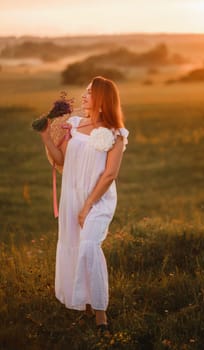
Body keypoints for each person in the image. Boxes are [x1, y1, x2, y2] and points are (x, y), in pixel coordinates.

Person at [40, 76, 129, 334]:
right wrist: (47, 138)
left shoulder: (116, 134)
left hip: (98, 200)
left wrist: (87, 205)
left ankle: (101, 316)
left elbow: (110, 174)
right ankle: (84, 303)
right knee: (76, 246)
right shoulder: (75, 125)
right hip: (72, 196)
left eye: (90, 93)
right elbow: (61, 162)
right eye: (85, 91)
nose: (83, 96)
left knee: (89, 246)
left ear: (102, 100)